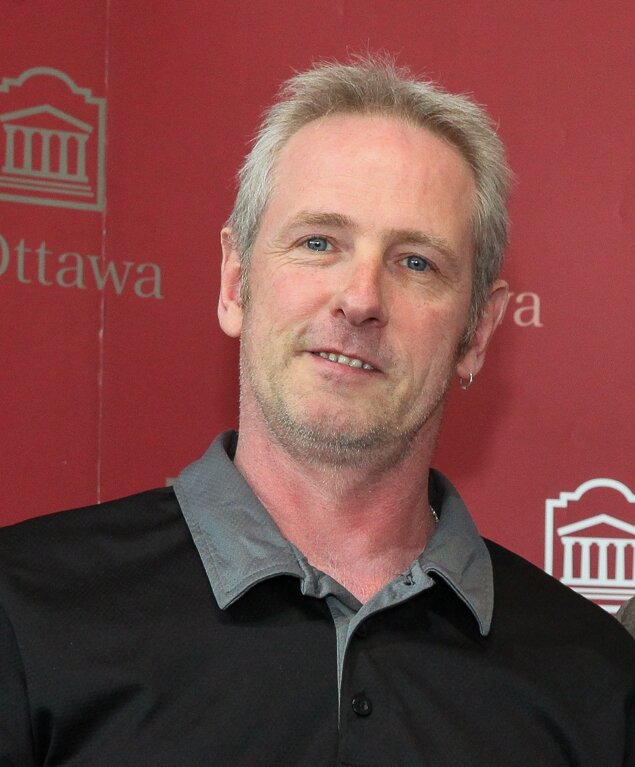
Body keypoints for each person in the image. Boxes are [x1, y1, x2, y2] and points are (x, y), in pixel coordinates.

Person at [1, 56, 634, 766]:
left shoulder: (597, 679)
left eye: (416, 262)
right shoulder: (23, 612)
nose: (360, 297)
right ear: (236, 283)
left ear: (477, 333)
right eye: (317, 243)